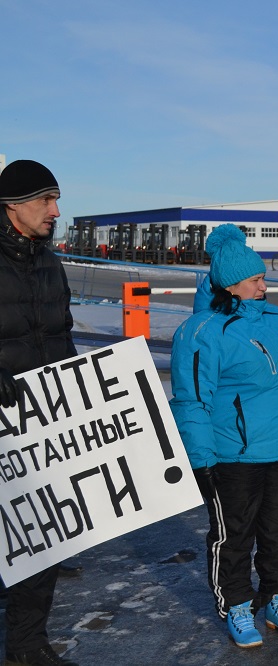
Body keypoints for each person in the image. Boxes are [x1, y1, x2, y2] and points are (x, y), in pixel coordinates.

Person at [169, 224, 278, 648]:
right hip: (233, 457)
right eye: (257, 279)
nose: (265, 284)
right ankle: (237, 606)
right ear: (231, 286)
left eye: (263, 277)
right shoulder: (202, 332)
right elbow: (192, 401)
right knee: (234, 536)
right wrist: (201, 460)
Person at [0, 160, 79, 666]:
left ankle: (26, 647)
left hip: (40, 424)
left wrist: (80, 386)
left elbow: (63, 334)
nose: (56, 211)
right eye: (45, 200)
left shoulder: (51, 262)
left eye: (56, 199)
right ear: (13, 207)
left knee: (39, 533)